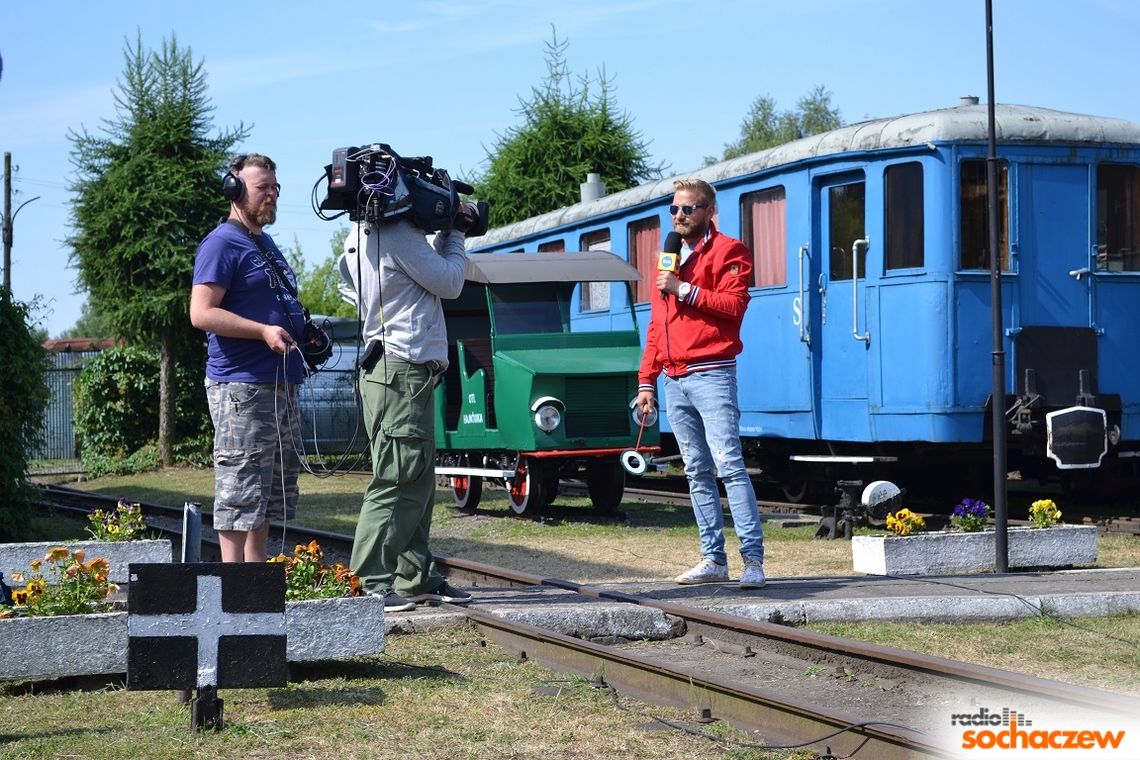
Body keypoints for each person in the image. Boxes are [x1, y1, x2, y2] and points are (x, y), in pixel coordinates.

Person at [337, 196, 473, 613]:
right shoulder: (397, 234)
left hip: (390, 370)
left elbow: (346, 288)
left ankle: (416, 577)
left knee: (415, 480)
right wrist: (455, 233)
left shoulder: (359, 234)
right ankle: (369, 581)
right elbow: (451, 282)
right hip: (401, 370)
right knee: (396, 479)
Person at [636, 178, 766, 589]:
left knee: (728, 464)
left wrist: (684, 289)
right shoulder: (667, 259)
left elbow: (734, 306)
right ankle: (713, 559)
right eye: (673, 210)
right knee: (696, 471)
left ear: (709, 211)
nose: (678, 216)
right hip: (673, 378)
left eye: (687, 209)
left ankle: (753, 561)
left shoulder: (731, 251)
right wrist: (646, 382)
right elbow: (658, 325)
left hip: (711, 373)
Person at [190, 153, 304, 563]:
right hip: (241, 385)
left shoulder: (265, 243)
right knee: (240, 488)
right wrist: (261, 331)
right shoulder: (221, 243)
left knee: (271, 492)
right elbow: (201, 313)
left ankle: (256, 588)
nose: (271, 195)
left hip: (280, 383)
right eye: (263, 188)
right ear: (236, 190)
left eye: (275, 188)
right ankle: (234, 589)